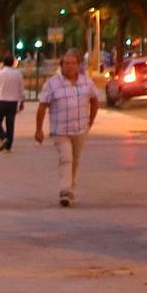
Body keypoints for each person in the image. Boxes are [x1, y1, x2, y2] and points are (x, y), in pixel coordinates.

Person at [33, 49, 100, 207]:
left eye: (73, 64)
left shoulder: (86, 82)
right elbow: (42, 106)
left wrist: (91, 120)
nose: (70, 67)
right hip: (60, 130)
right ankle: (65, 190)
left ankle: (70, 186)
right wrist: (38, 129)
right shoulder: (52, 84)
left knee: (74, 160)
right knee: (66, 158)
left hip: (80, 129)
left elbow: (95, 100)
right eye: (66, 64)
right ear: (61, 65)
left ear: (78, 65)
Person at [0, 55, 25, 150]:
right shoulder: (18, 74)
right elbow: (21, 89)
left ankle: (3, 137)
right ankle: (9, 146)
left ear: (3, 63)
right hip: (13, 102)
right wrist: (22, 101)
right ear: (13, 63)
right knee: (10, 123)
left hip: (1, 101)